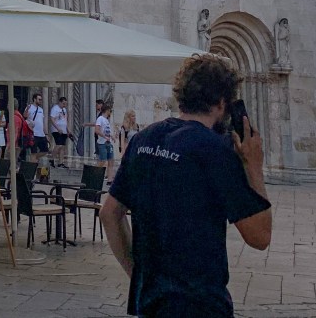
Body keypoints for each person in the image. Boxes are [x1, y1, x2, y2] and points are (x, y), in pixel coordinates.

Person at [100, 54, 272, 317]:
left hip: (151, 302)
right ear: (222, 102)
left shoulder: (143, 139)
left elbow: (109, 213)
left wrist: (138, 274)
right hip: (200, 304)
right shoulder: (215, 150)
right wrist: (254, 167)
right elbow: (259, 236)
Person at [25, 92, 49, 160]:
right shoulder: (29, 107)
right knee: (33, 152)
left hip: (41, 134)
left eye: (41, 99)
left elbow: (43, 122)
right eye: (39, 99)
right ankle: (33, 165)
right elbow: (25, 116)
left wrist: (46, 133)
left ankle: (34, 159)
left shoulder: (41, 109)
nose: (40, 101)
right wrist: (27, 109)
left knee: (45, 150)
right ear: (35, 99)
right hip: (33, 133)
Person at [50, 95, 71, 168]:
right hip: (56, 130)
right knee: (58, 145)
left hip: (64, 130)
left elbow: (65, 120)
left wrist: (68, 130)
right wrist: (58, 128)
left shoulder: (64, 110)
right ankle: (52, 159)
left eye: (65, 104)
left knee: (63, 146)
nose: (64, 105)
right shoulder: (55, 109)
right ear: (60, 102)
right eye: (63, 103)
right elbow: (52, 119)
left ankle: (61, 162)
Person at [95, 104, 114, 179]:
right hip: (102, 143)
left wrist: (111, 136)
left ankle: (110, 179)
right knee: (103, 161)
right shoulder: (100, 119)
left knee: (111, 160)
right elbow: (97, 130)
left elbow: (107, 131)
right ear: (107, 111)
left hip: (108, 142)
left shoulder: (106, 120)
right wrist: (104, 136)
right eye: (110, 111)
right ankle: (95, 174)